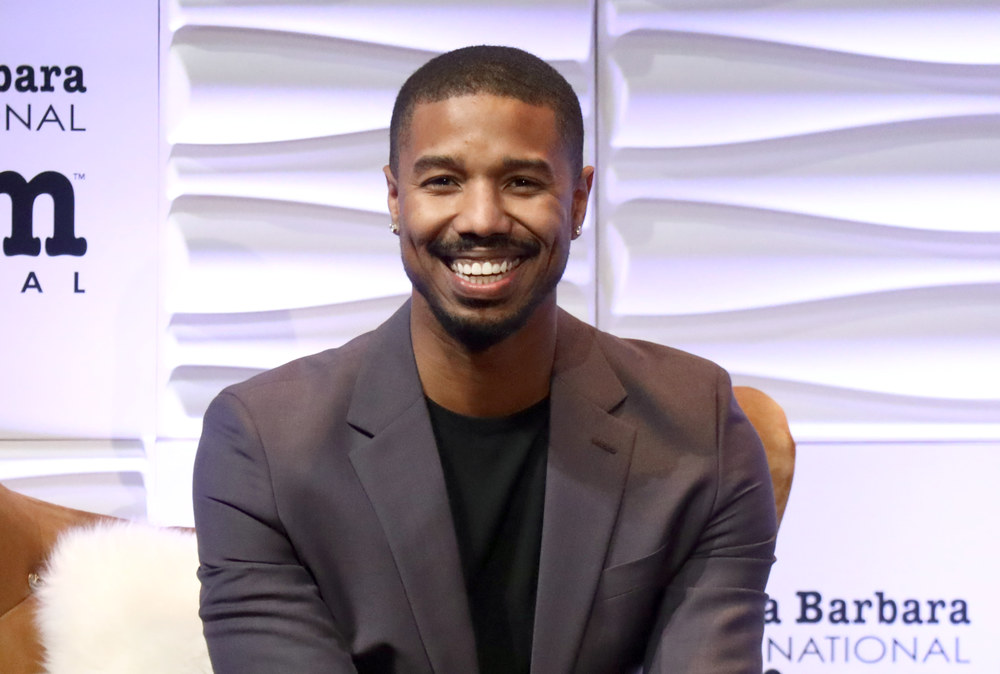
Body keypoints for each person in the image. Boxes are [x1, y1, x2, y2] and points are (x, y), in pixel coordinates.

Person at [192, 45, 777, 674]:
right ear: (395, 198)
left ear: (577, 202)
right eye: (442, 181)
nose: (480, 219)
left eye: (522, 182)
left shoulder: (697, 427)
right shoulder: (264, 445)